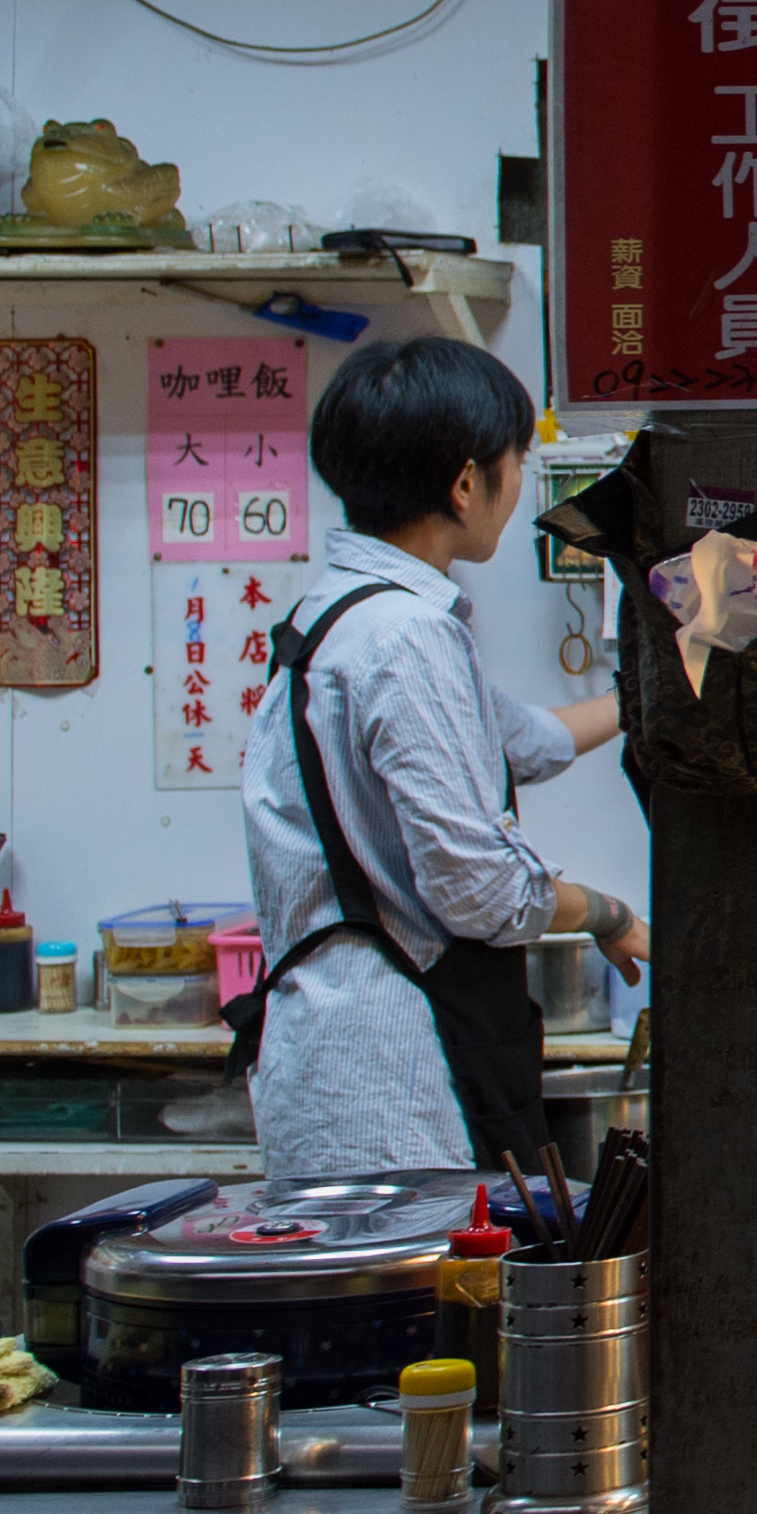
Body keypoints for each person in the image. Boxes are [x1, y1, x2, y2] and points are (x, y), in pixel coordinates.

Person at [240, 336, 647, 1178]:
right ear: (466, 484)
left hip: (336, 1064)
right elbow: (479, 887)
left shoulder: (340, 613)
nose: (516, 483)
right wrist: (606, 913)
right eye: (514, 462)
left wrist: (655, 694)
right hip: (393, 1081)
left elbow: (519, 740)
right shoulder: (405, 636)